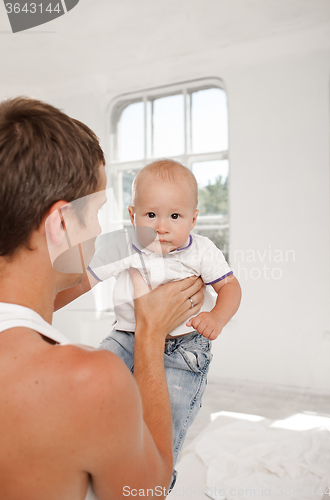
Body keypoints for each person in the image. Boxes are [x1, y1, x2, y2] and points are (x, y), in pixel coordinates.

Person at [0, 97, 206, 500]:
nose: (98, 230)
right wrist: (150, 335)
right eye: (95, 212)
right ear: (61, 223)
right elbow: (147, 491)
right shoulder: (90, 381)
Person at [56, 160, 242, 473]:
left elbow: (230, 286)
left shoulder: (202, 251)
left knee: (168, 416)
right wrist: (40, 306)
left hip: (185, 349)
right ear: (133, 216)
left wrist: (217, 316)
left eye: (175, 216)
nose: (162, 226)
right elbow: (84, 281)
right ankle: (88, 450)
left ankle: (156, 477)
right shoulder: (125, 245)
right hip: (126, 337)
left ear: (193, 219)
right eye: (151, 215)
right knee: (93, 378)